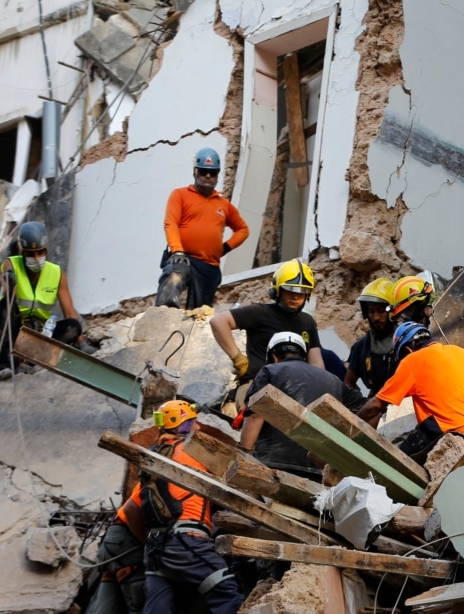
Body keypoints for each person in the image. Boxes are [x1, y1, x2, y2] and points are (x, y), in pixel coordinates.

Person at [138, 400, 244, 614]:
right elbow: (234, 480)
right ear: (185, 424)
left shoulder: (156, 453)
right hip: (187, 541)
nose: (197, 425)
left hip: (155, 547)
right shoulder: (193, 450)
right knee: (226, 592)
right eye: (194, 421)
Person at [358, 322, 464, 459]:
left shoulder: (412, 361)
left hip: (459, 440)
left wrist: (352, 422)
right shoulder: (460, 352)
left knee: (396, 460)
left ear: (408, 350)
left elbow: (376, 405)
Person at [240, 332, 365, 477]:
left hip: (274, 464)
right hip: (319, 469)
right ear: (303, 355)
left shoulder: (270, 371)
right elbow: (364, 408)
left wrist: (245, 456)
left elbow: (255, 416)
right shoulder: (334, 380)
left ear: (273, 357)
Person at [209, 260, 325, 406]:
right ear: (278, 290)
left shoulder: (307, 322)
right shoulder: (260, 312)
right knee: (255, 422)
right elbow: (218, 322)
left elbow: (316, 362)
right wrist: (238, 359)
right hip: (257, 385)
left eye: (301, 292)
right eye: (290, 290)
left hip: (293, 390)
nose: (295, 296)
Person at [155, 147, 249, 309]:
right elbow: (171, 223)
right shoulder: (180, 195)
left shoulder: (224, 205)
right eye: (203, 171)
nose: (207, 176)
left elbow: (243, 229)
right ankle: (164, 315)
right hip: (183, 258)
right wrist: (177, 250)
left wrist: (225, 248)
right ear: (195, 172)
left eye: (212, 173)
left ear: (217, 175)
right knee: (174, 277)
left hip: (209, 266)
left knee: (199, 312)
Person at [0, 221, 84, 381]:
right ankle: (2, 367)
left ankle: (34, 360)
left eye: (40, 252)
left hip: (39, 337)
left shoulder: (57, 273)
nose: (36, 257)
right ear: (23, 252)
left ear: (46, 250)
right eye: (31, 254)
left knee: (72, 327)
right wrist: (11, 283)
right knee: (5, 307)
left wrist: (80, 339)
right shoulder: (11, 264)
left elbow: (69, 312)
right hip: (15, 333)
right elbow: (9, 295)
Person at [73, 486, 146, 614]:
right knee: (140, 611)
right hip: (129, 543)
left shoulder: (148, 478)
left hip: (112, 543)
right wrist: (148, 545)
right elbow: (131, 509)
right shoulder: (164, 477)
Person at [345, 277, 399, 396]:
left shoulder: (405, 343)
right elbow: (349, 382)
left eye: (381, 311)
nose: (376, 318)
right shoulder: (361, 346)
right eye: (371, 311)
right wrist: (360, 404)